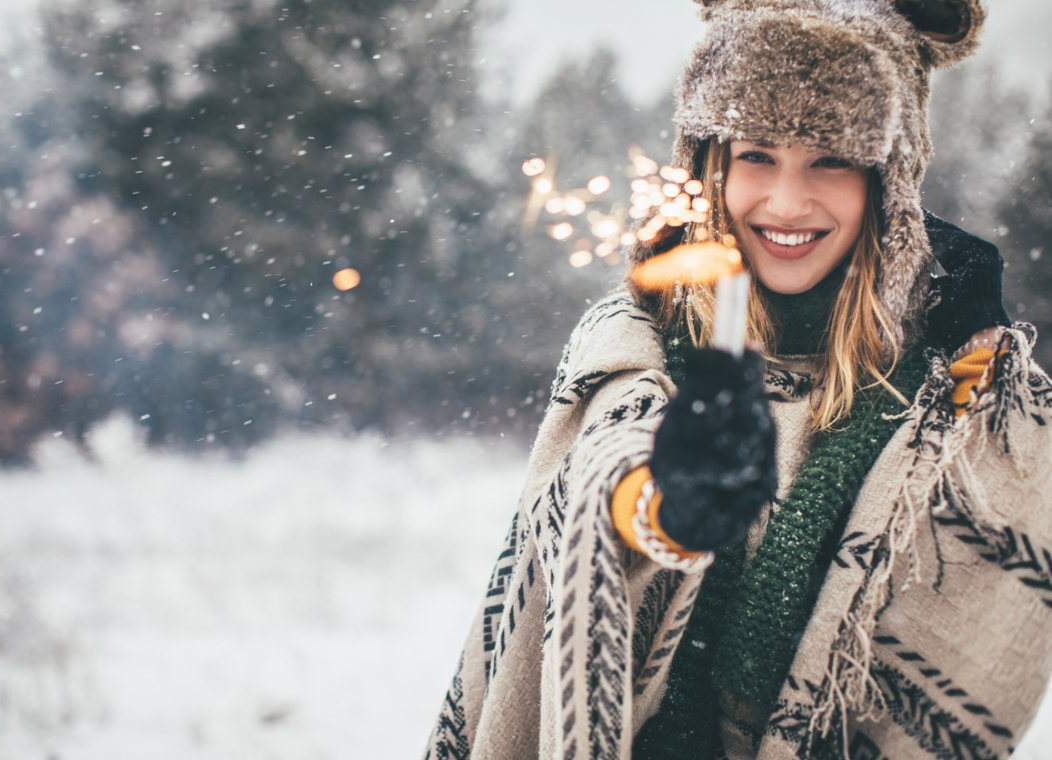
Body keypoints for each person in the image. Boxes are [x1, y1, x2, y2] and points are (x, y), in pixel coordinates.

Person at [425, 1, 1052, 758]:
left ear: (890, 177)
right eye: (757, 154)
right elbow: (597, 501)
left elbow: (972, 619)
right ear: (710, 161)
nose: (787, 203)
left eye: (830, 158)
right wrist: (673, 510)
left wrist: (968, 383)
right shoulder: (633, 339)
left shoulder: (959, 392)